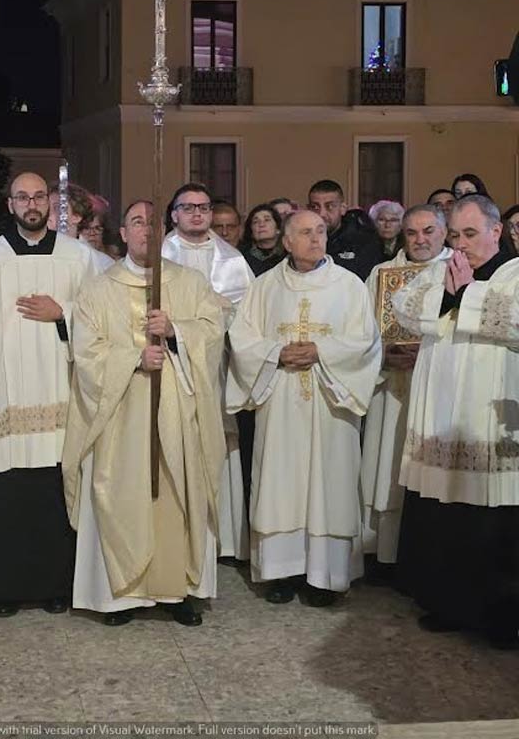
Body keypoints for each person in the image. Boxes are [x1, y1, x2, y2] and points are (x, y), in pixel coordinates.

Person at [63, 200, 225, 626]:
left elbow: (213, 335)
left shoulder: (190, 284)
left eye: (153, 223)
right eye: (137, 222)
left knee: (176, 492)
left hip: (176, 414)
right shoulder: (98, 290)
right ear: (123, 231)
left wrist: (176, 333)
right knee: (120, 490)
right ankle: (120, 595)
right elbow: (85, 352)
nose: (146, 231)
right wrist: (134, 358)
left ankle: (178, 591)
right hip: (121, 416)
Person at [227, 210, 382, 606]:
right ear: (287, 242)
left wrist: (321, 351)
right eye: (304, 233)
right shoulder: (264, 288)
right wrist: (276, 353)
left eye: (319, 232)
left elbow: (365, 342)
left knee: (329, 482)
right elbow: (242, 339)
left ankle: (325, 576)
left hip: (332, 403)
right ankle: (282, 572)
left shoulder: (349, 286)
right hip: (279, 401)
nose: (315, 239)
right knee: (280, 482)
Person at [0, 172, 95, 618]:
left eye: (39, 196)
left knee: (54, 493)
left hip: (61, 389)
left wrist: (65, 314)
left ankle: (59, 586)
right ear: (11, 204)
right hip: (3, 395)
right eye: (22, 197)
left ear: (51, 203)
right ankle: (7, 589)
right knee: (8, 494)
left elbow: (101, 321)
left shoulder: (78, 256)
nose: (31, 204)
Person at [393, 195, 519, 648]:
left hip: (490, 421)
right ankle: (448, 604)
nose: (461, 245)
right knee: (445, 516)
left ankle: (503, 617)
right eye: (455, 236)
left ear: (496, 231)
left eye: (470, 234)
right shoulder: (439, 269)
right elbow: (404, 307)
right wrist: (447, 291)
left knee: (494, 521)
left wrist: (467, 295)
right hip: (442, 421)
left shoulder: (515, 273)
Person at [162, 183, 254, 564]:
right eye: (189, 207)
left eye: (204, 207)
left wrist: (214, 314)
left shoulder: (232, 261)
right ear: (175, 214)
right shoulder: (160, 253)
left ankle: (223, 539)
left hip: (214, 368)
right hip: (169, 364)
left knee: (217, 441)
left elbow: (247, 316)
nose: (198, 214)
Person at [361, 204, 452, 578]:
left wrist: (428, 353)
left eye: (429, 231)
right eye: (412, 233)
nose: (420, 240)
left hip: (435, 389)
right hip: (390, 388)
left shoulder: (457, 275)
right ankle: (380, 554)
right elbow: (362, 330)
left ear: (444, 233)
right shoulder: (382, 274)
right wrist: (382, 354)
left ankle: (423, 560)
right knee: (385, 468)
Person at [307, 180, 383, 281]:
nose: (322, 214)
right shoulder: (300, 240)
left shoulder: (364, 241)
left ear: (342, 208)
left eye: (329, 206)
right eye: (315, 207)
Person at [240, 203, 285, 276]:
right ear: (251, 231)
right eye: (255, 222)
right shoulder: (241, 256)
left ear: (278, 229)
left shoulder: (288, 255)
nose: (261, 224)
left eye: (267, 220)